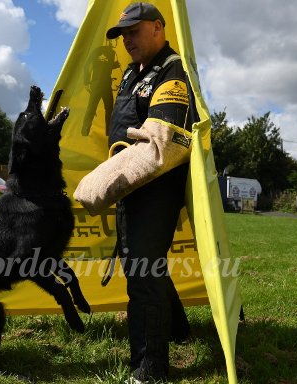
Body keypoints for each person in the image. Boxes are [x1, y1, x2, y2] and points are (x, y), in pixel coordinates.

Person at [105, 3, 192, 383]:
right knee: (142, 265)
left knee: (143, 272)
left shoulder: (172, 72)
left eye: (133, 31)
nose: (126, 39)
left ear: (158, 28)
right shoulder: (131, 73)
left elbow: (160, 142)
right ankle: (179, 329)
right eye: (122, 33)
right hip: (129, 185)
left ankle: (150, 368)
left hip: (155, 187)